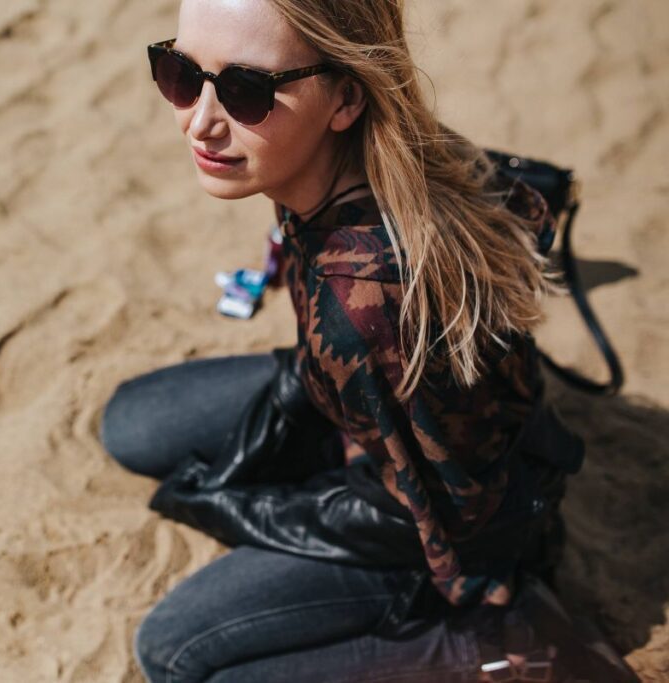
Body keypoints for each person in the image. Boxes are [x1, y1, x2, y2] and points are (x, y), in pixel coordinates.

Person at [100, 0, 640, 680]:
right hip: (368, 407)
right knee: (132, 423)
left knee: (176, 652)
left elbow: (426, 516)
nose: (201, 121)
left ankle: (485, 642)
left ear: (346, 97)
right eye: (180, 72)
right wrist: (263, 444)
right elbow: (328, 357)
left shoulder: (369, 309)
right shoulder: (356, 156)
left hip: (446, 533)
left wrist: (243, 506)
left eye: (245, 91)